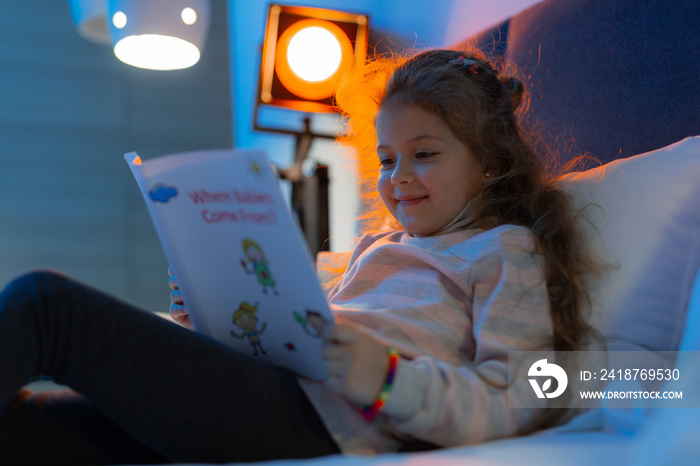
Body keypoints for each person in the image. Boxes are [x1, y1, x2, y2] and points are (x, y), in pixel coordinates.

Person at [0, 49, 596, 464]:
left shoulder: (504, 250)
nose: (399, 178)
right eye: (388, 159)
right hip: (271, 388)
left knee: (45, 305)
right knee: (20, 431)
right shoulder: (379, 247)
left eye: (425, 154)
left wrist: (387, 381)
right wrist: (208, 308)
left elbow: (511, 397)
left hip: (320, 418)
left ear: (490, 160)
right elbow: (297, 334)